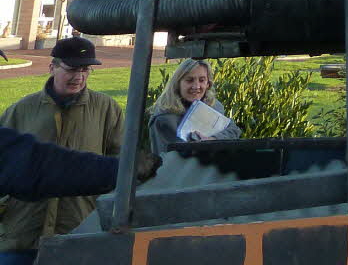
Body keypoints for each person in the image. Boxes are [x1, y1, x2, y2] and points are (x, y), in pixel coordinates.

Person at [0, 37, 122, 263]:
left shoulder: (107, 109)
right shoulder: (21, 110)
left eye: (85, 69)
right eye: (72, 69)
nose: (79, 77)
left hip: (79, 230)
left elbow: (120, 159)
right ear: (52, 67)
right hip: (22, 235)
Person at [148, 58, 242, 155]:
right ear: (178, 83)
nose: (196, 86)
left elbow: (234, 130)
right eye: (189, 80)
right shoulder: (164, 118)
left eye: (202, 80)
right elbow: (177, 156)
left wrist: (213, 139)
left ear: (208, 84)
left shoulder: (214, 105)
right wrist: (207, 145)